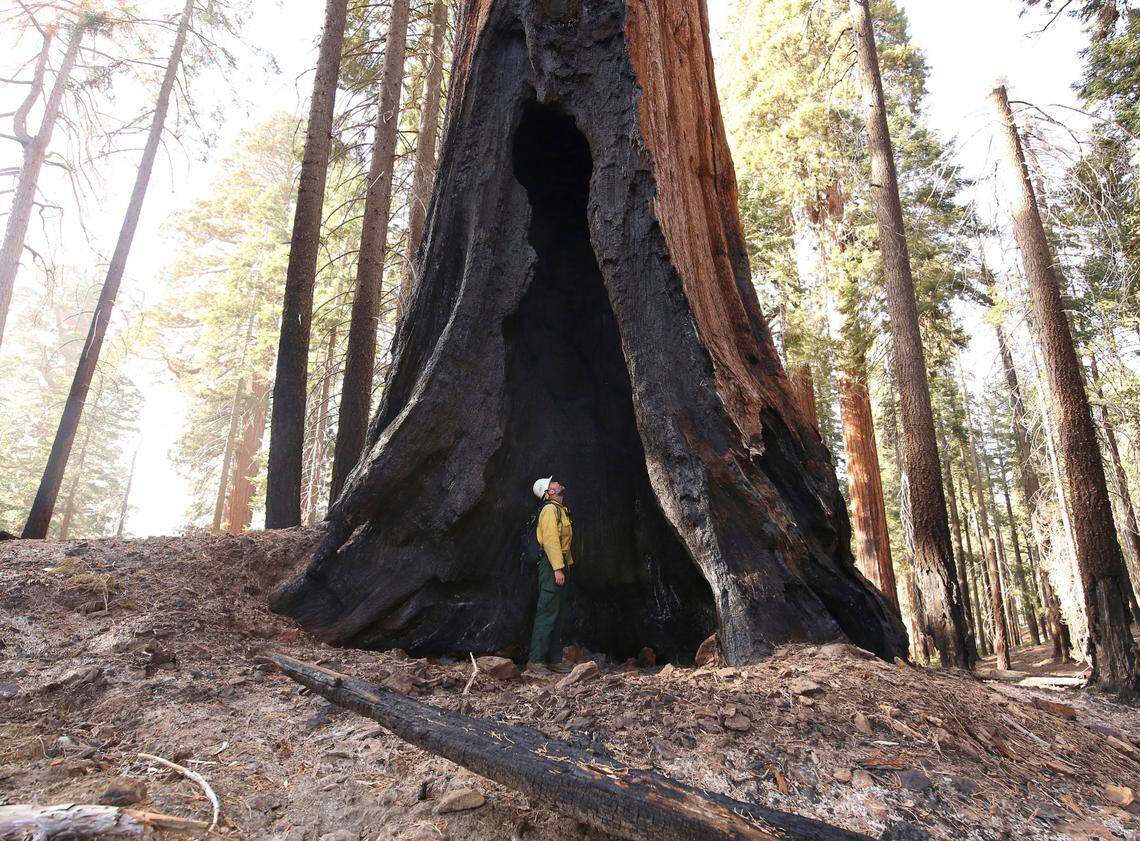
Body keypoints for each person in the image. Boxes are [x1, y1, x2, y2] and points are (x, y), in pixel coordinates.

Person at [527, 476, 574, 675]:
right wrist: (557, 568)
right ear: (550, 492)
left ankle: (554, 659)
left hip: (561, 564)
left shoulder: (560, 510)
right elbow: (551, 540)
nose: (557, 484)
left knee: (557, 613)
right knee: (547, 611)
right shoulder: (549, 510)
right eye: (553, 484)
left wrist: (565, 566)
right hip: (551, 565)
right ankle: (536, 660)